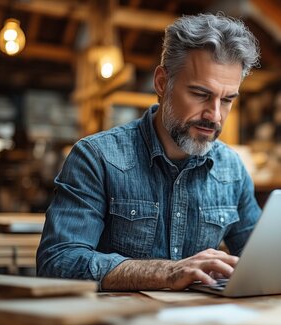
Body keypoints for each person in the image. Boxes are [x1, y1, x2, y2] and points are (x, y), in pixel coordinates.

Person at [37, 13, 262, 291]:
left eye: (227, 100)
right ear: (161, 83)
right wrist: (167, 272)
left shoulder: (232, 170)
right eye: (201, 94)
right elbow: (57, 263)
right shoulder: (95, 157)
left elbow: (262, 262)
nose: (214, 116)